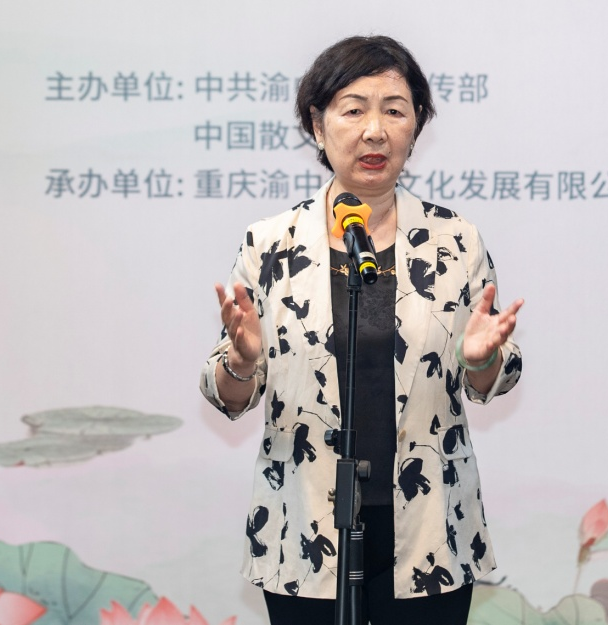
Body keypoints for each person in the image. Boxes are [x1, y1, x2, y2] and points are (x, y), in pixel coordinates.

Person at [200, 35, 523, 625]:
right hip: (304, 526)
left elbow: (491, 382)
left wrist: (480, 360)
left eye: (395, 111)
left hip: (429, 527)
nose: (375, 131)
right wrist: (242, 364)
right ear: (317, 125)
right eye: (353, 110)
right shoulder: (270, 245)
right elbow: (227, 395)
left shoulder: (455, 241)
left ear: (416, 126)